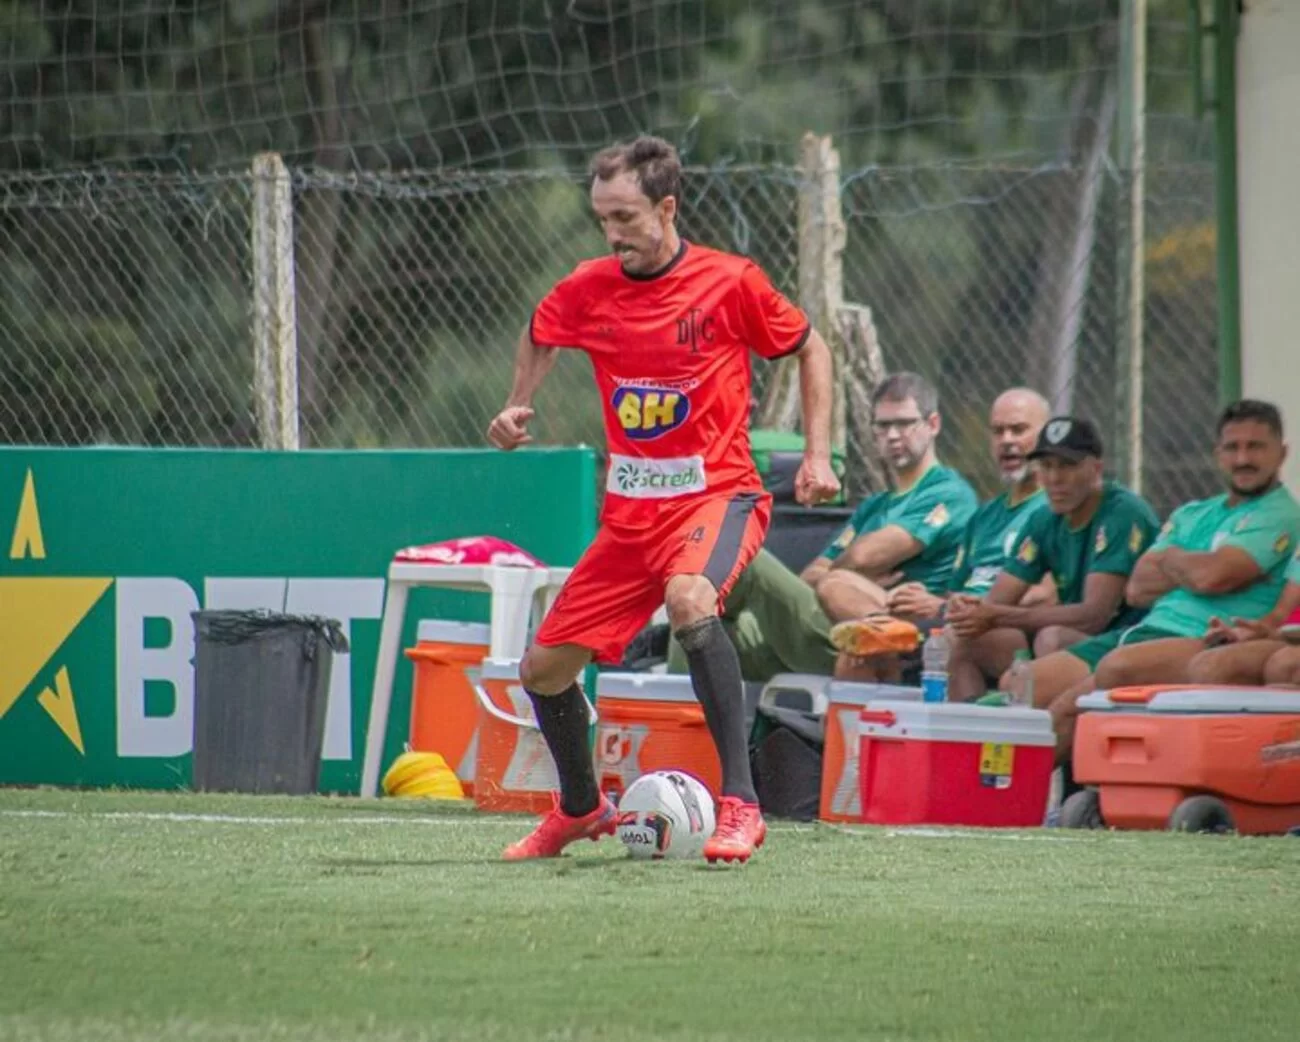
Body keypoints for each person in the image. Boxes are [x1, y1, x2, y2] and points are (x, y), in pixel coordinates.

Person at [486, 135, 840, 864]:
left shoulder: (729, 282)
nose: (612, 233)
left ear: (667, 207)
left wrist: (815, 453)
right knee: (543, 671)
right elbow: (540, 328)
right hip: (629, 518)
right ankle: (582, 809)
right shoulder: (590, 285)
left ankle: (741, 804)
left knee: (689, 601)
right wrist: (518, 402)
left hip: (718, 495)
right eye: (601, 217)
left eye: (625, 216)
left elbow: (811, 346)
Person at [1046, 399, 1300, 758]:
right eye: (1233, 447)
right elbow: (1137, 589)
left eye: (1255, 447)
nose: (1243, 459)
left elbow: (1215, 576)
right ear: (1217, 454)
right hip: (1145, 629)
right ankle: (1031, 805)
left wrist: (1169, 558)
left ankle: (1072, 802)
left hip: (1203, 636)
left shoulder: (1281, 513)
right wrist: (1193, 569)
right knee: (1032, 690)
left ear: (1282, 453)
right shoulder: (1195, 512)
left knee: (1105, 679)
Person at [830, 387, 1052, 682]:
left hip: (1000, 630)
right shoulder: (985, 516)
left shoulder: (1053, 509)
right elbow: (955, 590)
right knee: (855, 650)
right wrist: (928, 599)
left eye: (1018, 430)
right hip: (950, 619)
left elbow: (1044, 596)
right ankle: (886, 662)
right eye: (998, 432)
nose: (1007, 441)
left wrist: (947, 608)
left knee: (961, 639)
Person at [943, 417, 1159, 704]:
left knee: (1051, 638)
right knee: (959, 637)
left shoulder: (1122, 512)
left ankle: (1046, 742)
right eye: (1047, 466)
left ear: (1096, 468)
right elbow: (997, 601)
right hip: (1071, 640)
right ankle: (970, 736)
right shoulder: (1044, 518)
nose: (1055, 478)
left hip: (1128, 643)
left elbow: (1094, 617)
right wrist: (971, 612)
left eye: (1067, 466)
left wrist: (995, 614)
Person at [804, 372, 978, 628]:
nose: (893, 435)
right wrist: (851, 578)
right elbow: (809, 576)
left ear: (933, 425)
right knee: (746, 624)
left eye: (905, 423)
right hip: (835, 619)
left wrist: (846, 577)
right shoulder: (873, 506)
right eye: (883, 426)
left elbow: (863, 557)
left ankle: (884, 639)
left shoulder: (949, 493)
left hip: (916, 626)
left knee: (759, 571)